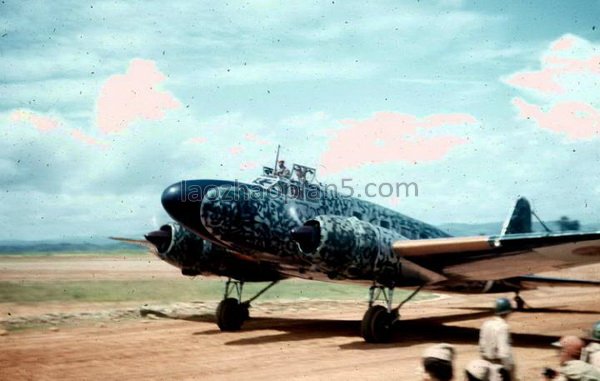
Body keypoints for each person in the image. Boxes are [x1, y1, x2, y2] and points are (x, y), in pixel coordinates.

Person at [478, 298, 515, 379]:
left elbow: (481, 347)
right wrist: (510, 371)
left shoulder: (486, 324)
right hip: (498, 370)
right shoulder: (503, 327)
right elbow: (504, 353)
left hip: (486, 367)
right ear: (508, 312)